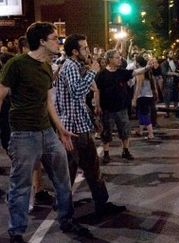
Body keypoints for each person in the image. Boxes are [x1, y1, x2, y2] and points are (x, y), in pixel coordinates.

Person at [0, 22, 91, 243]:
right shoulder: (16, 64)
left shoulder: (47, 66)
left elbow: (49, 102)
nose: (58, 42)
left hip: (47, 132)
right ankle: (17, 233)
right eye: (54, 38)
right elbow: (0, 95)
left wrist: (61, 130)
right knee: (20, 185)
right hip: (23, 134)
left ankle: (67, 219)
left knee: (62, 179)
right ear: (42, 41)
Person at [56, 33, 126, 220]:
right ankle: (72, 211)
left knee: (86, 168)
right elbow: (77, 91)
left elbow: (76, 99)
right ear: (74, 51)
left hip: (78, 126)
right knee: (86, 169)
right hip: (74, 129)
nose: (88, 51)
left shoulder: (76, 66)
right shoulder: (70, 66)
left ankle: (75, 207)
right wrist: (93, 71)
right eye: (84, 48)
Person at [95, 49, 150, 164]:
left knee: (125, 131)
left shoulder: (122, 72)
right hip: (107, 109)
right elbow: (97, 91)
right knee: (106, 132)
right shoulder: (101, 75)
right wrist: (97, 105)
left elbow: (135, 72)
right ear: (109, 60)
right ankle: (106, 154)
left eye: (119, 57)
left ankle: (125, 151)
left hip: (121, 108)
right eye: (117, 57)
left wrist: (146, 68)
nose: (120, 59)